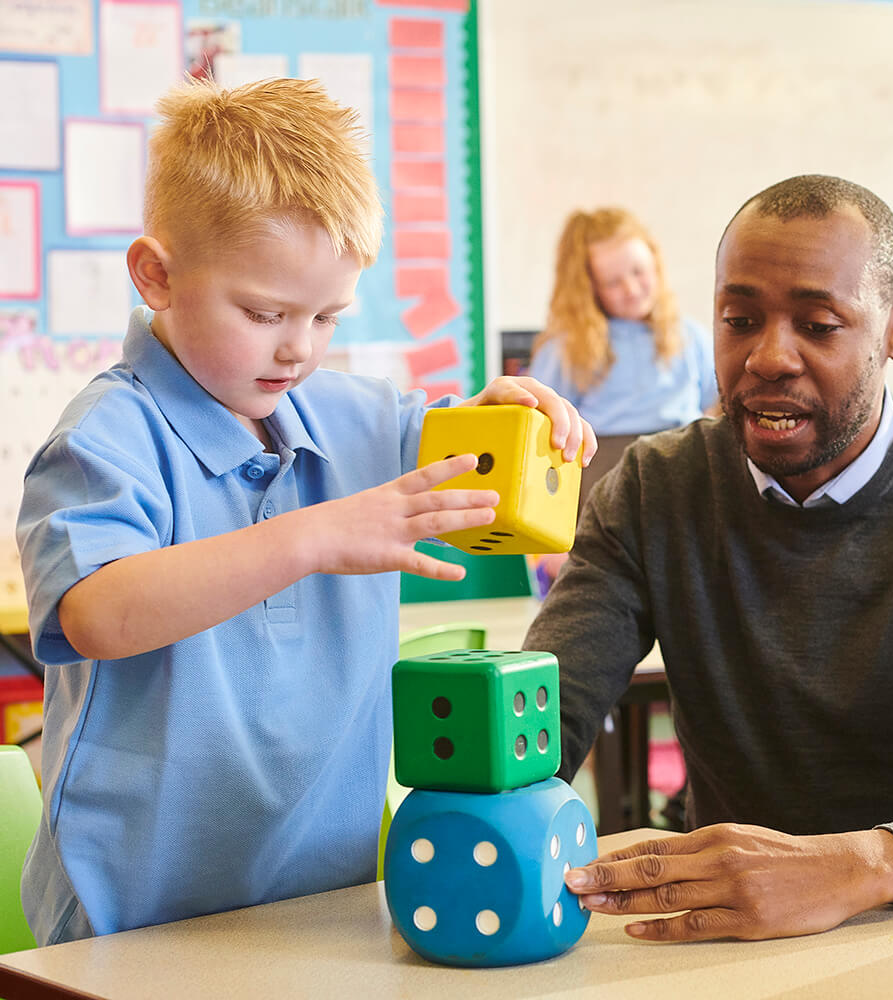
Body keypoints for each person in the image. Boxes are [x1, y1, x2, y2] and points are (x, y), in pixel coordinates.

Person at [14, 78, 593, 945]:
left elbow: (458, 462)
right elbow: (98, 612)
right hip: (135, 917)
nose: (299, 346)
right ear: (156, 276)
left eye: (327, 315)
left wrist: (505, 417)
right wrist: (312, 537)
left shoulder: (356, 413)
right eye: (264, 312)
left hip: (327, 902)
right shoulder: (108, 438)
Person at [525, 174, 893, 943]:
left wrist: (864, 867)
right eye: (739, 319)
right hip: (727, 950)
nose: (769, 357)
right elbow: (536, 730)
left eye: (817, 325)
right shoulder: (655, 490)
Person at [528, 206, 718, 435]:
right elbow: (540, 420)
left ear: (654, 264)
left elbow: (717, 403)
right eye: (612, 283)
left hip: (684, 456)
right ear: (590, 289)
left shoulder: (690, 336)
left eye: (638, 271)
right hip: (604, 463)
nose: (632, 289)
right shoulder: (567, 349)